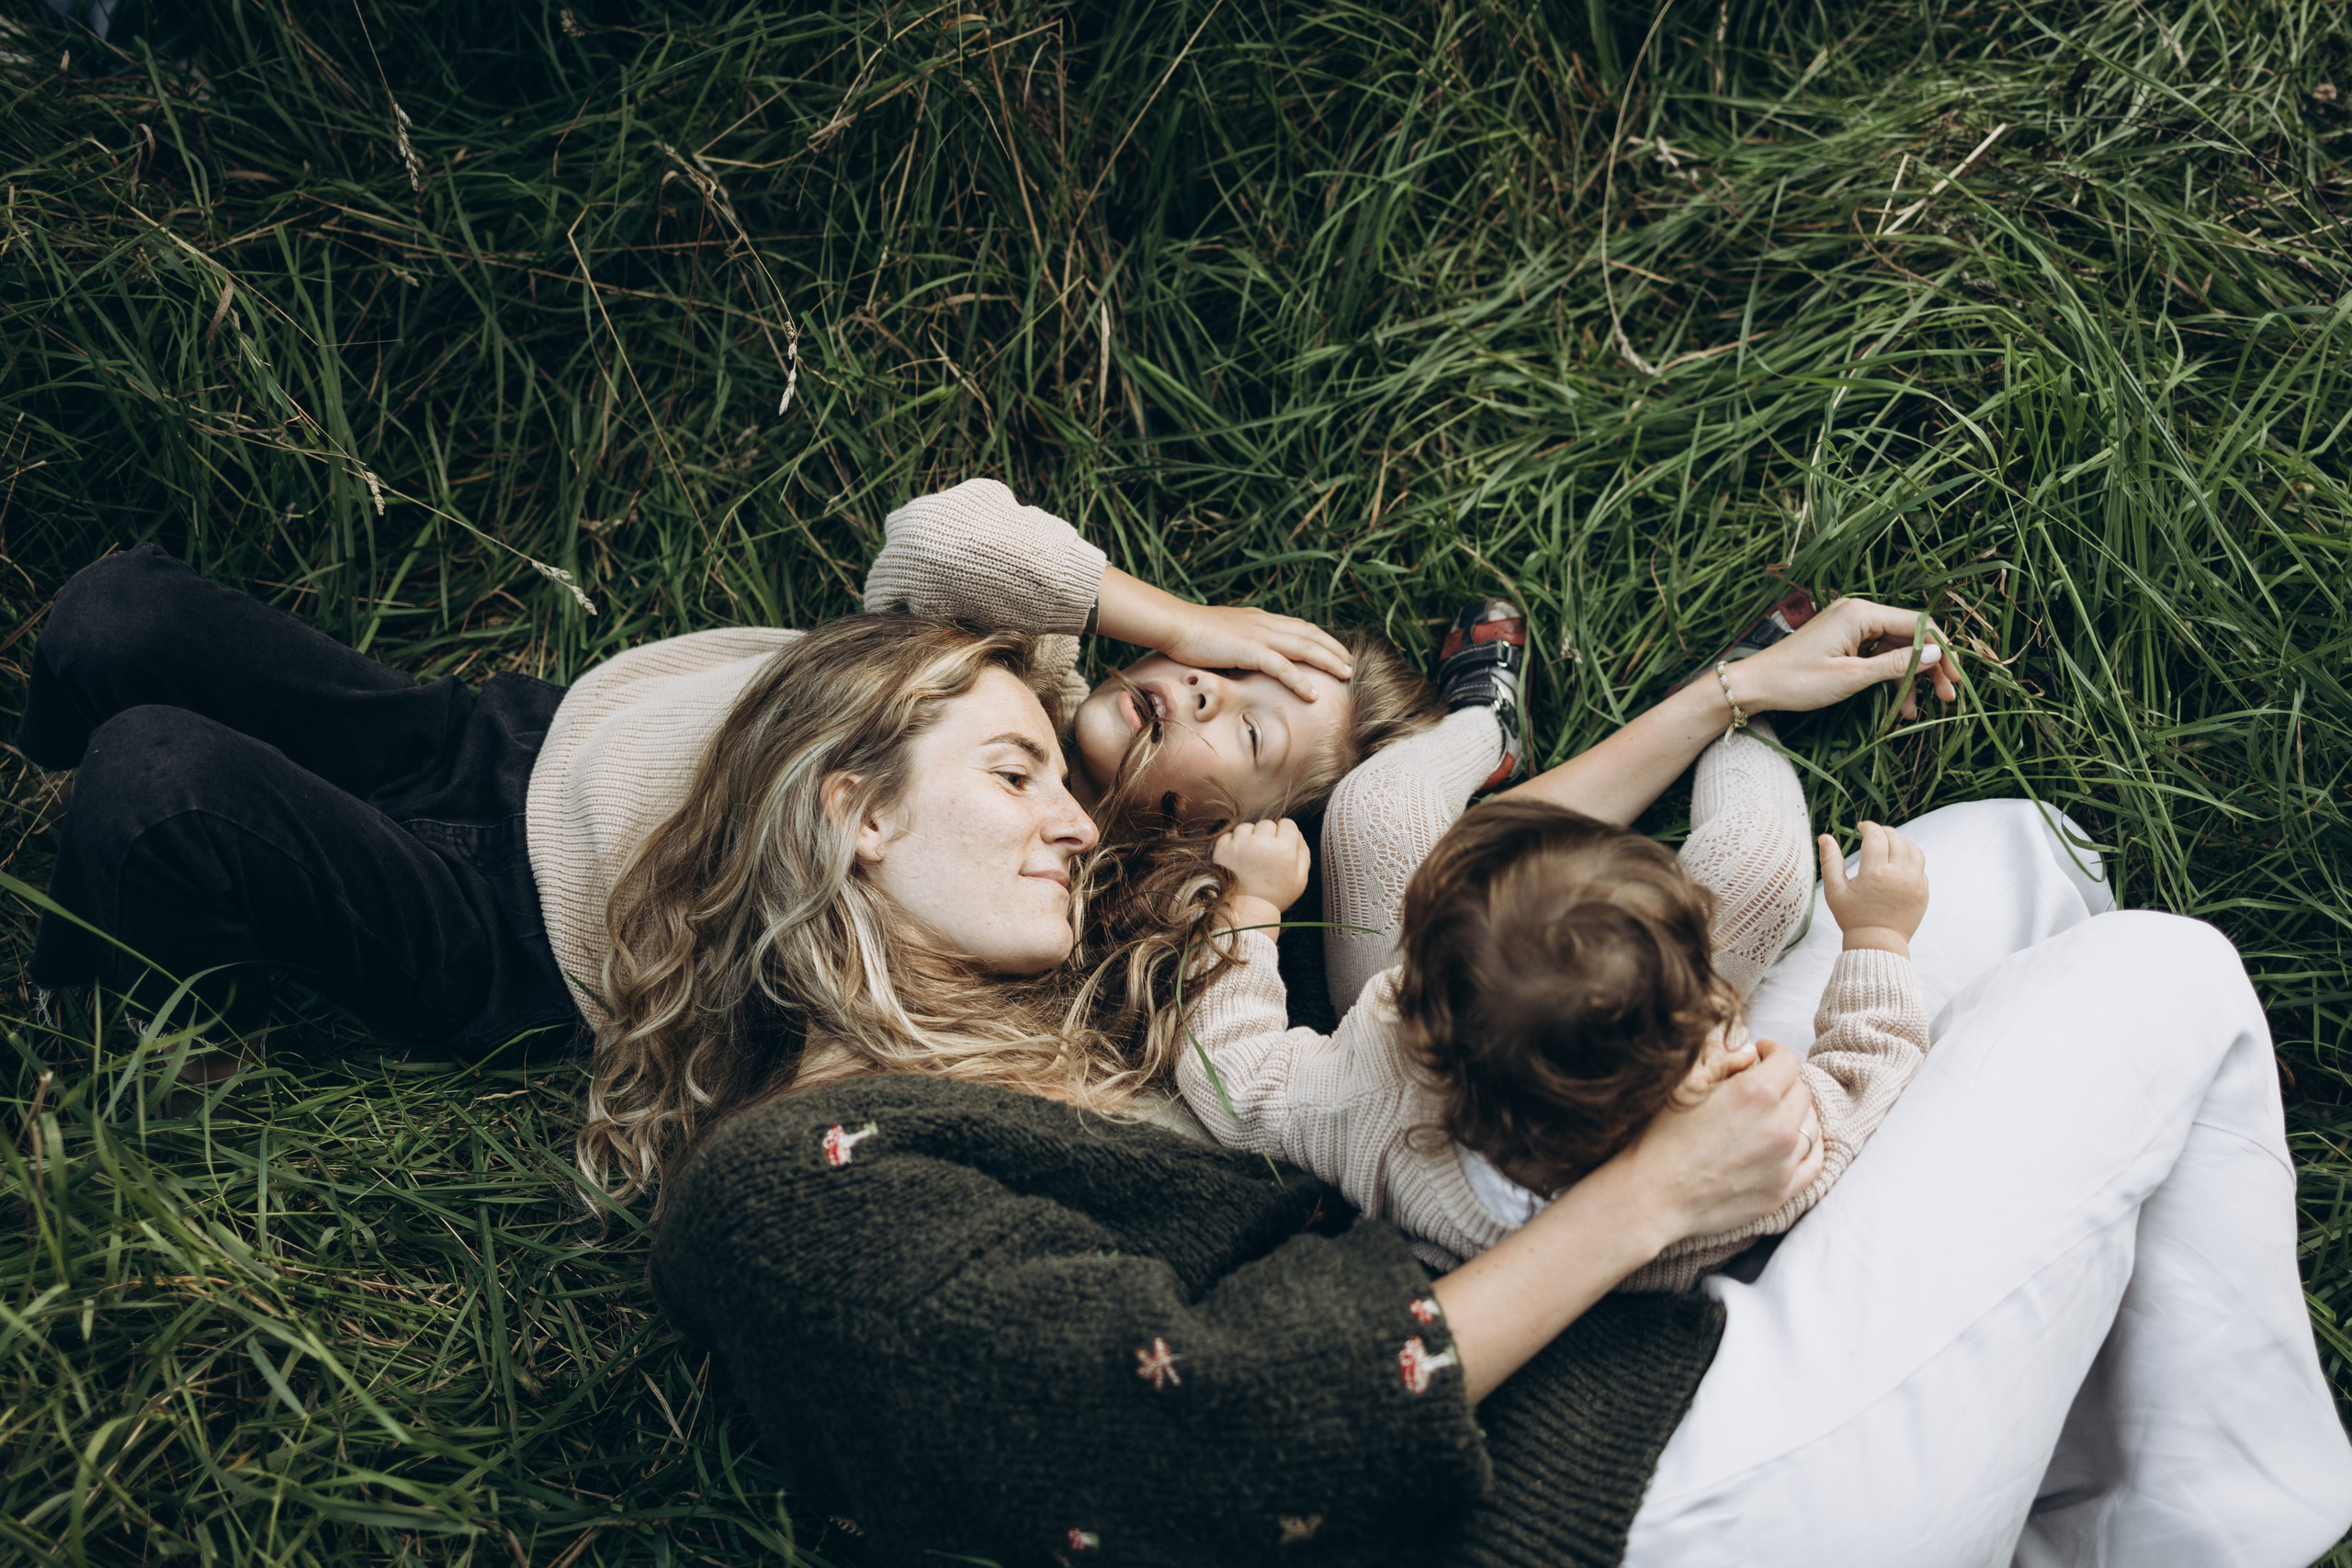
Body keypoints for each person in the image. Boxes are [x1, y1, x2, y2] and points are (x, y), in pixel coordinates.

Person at [11, 479, 1442, 1056]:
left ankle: (93, 1032)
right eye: (1228, 658)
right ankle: (42, 810)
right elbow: (937, 528)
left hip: (522, 930)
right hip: (512, 737)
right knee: (117, 611)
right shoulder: (1018, 650)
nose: (1201, 683)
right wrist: (1174, 615)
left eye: (1245, 728)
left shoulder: (1035, 872)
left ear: (1212, 831)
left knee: (160, 785)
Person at [1176, 767, 1933, 1289]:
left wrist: (1248, 907)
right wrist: (1878, 937)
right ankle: (1751, 716)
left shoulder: (1369, 1099)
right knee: (1761, 860)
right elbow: (1866, 1077)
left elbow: (1234, 1074)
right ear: (1697, 1038)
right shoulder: (1726, 1153)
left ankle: (1489, 719)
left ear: (1422, 1025)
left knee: (1379, 807)